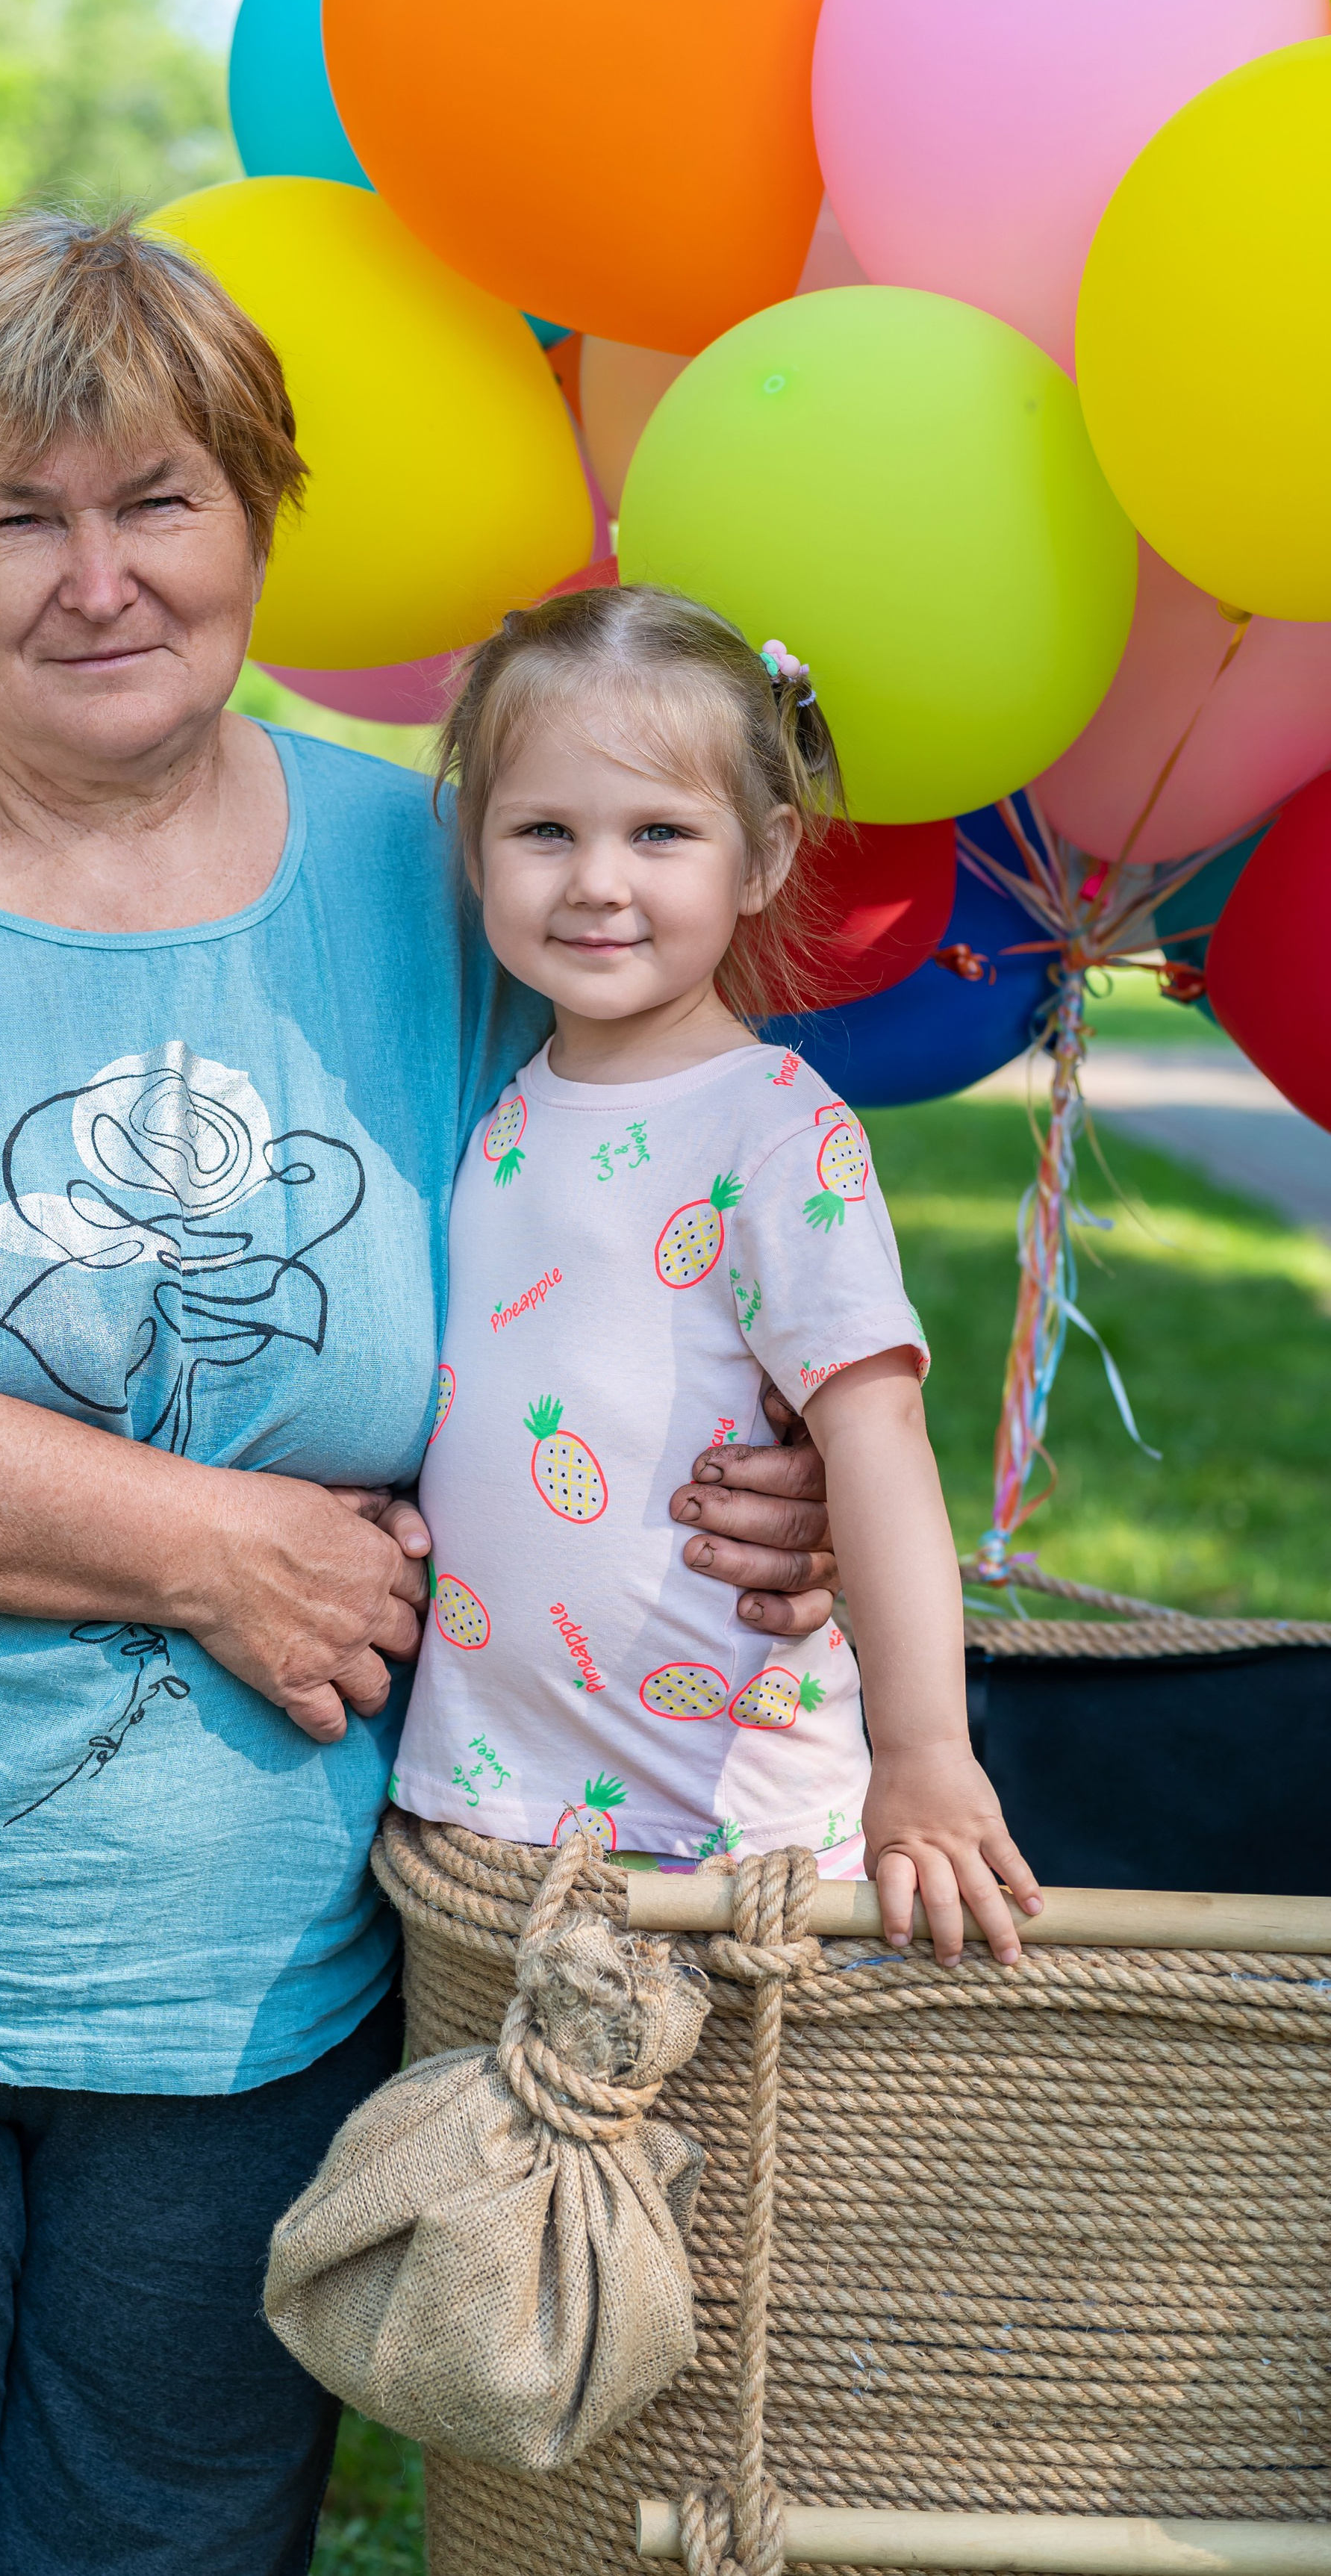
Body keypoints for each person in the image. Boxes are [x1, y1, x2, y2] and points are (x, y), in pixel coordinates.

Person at [0, 213, 832, 2575]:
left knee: (175, 2540)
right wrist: (209, 1545)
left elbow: (659, 1227)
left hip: (273, 1952)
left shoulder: (443, 873)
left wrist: (774, 1476)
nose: (99, 576)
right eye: (16, 514)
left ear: (258, 517)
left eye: (159, 500)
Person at [392, 585, 1043, 1967]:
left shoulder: (772, 1126)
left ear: (762, 857)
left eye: (660, 833)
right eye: (544, 830)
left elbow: (876, 1433)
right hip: (498, 1806)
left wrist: (924, 1752)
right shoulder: (497, 1108)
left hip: (728, 1827)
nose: (597, 880)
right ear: (475, 843)